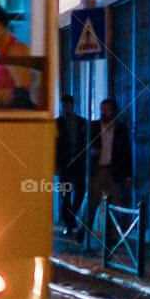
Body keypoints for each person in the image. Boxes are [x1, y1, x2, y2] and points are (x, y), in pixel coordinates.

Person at [82, 97, 133, 237]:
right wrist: (92, 151)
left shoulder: (121, 130)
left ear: (113, 111)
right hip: (97, 170)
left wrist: (128, 175)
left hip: (113, 171)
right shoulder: (92, 127)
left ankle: (112, 238)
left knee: (114, 206)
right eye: (102, 110)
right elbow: (82, 146)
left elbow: (127, 153)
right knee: (92, 203)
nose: (104, 113)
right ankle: (84, 233)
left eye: (107, 110)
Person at [55, 94, 88, 234]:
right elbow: (54, 144)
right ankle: (69, 224)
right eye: (63, 106)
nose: (65, 108)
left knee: (81, 190)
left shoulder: (82, 122)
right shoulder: (57, 123)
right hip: (64, 163)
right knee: (65, 194)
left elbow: (85, 141)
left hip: (78, 161)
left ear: (73, 106)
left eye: (67, 106)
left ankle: (71, 216)